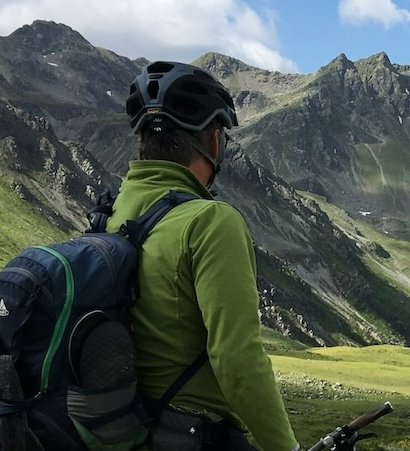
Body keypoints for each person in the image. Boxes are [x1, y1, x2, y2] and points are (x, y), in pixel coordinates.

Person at [111, 60, 299, 451]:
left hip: (124, 430)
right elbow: (237, 359)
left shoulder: (111, 217)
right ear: (214, 141)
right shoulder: (211, 221)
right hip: (189, 435)